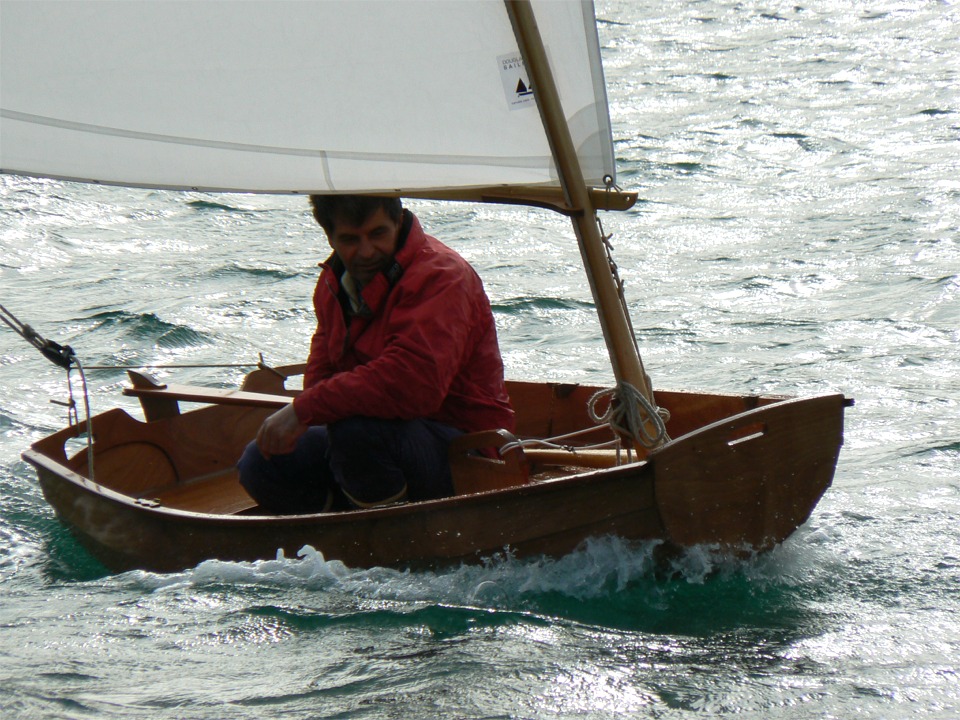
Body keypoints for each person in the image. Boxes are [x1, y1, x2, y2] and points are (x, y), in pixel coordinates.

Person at [238, 195, 514, 513]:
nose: (366, 251)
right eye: (350, 240)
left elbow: (414, 386)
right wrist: (306, 411)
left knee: (357, 434)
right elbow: (321, 375)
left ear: (398, 222)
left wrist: (302, 410)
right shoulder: (333, 283)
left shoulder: (442, 275)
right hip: (377, 441)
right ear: (329, 236)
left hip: (468, 448)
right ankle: (333, 535)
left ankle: (389, 542)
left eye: (378, 234)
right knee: (260, 462)